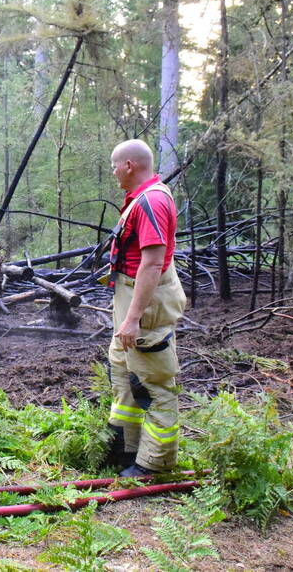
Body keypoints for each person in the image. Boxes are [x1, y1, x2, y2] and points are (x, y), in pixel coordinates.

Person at [103, 139, 187, 477]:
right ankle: (124, 451)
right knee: (123, 372)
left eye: (114, 165)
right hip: (131, 294)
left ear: (129, 166)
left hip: (145, 303)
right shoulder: (143, 198)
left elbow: (152, 265)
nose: (113, 172)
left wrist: (134, 318)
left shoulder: (151, 202)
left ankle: (155, 464)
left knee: (153, 383)